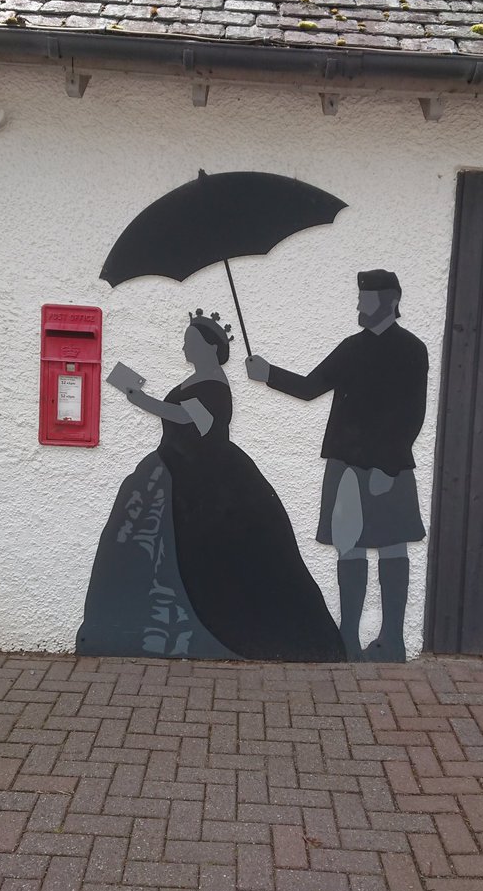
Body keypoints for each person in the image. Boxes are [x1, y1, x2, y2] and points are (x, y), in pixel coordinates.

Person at [77, 310, 346, 662]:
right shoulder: (200, 380)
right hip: (175, 468)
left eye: (190, 341)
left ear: (208, 346)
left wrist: (137, 397)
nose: (184, 346)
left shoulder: (215, 385)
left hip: (205, 480)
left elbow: (187, 418)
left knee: (219, 558)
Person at [246, 271, 428, 662]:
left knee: (393, 545)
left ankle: (392, 639)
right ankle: (348, 638)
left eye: (368, 298)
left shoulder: (412, 349)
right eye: (360, 297)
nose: (359, 304)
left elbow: (412, 414)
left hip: (389, 467)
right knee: (350, 547)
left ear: (391, 300)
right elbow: (312, 387)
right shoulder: (351, 347)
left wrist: (388, 466)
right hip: (346, 465)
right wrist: (268, 374)